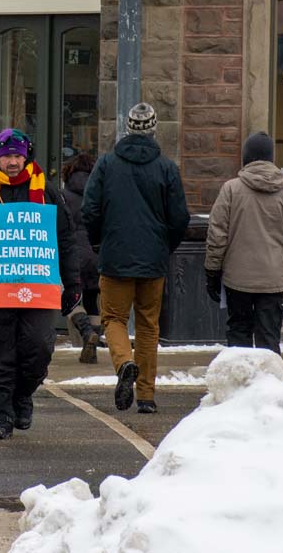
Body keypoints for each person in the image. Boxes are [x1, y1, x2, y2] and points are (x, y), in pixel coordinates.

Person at [0, 129, 80, 439]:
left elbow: (66, 239)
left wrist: (73, 283)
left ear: (26, 156)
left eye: (17, 155)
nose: (12, 162)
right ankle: (0, 416)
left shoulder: (47, 191)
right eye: (6, 156)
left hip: (38, 288)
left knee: (38, 348)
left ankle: (22, 395)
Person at [81, 103, 190, 415]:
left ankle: (124, 363)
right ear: (154, 130)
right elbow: (179, 217)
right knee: (148, 325)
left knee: (113, 318)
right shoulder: (166, 168)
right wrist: (164, 246)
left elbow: (90, 210)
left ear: (127, 128)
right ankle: (146, 395)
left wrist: (99, 241)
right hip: (153, 259)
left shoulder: (107, 164)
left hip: (115, 256)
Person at [205, 131, 283, 354]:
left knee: (238, 338)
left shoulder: (231, 189)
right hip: (273, 277)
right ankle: (269, 377)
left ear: (247, 157)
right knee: (269, 341)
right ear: (271, 158)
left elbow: (217, 235)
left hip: (237, 278)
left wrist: (212, 271)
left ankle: (241, 377)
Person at [61, 153, 102, 363]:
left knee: (71, 298)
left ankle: (86, 332)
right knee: (92, 300)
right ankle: (92, 345)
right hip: (96, 253)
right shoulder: (99, 192)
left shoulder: (63, 195)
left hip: (73, 254)